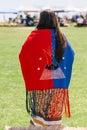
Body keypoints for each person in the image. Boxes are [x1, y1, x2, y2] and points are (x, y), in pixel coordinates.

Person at [19, 9, 74, 127]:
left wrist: (34, 70)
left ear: (40, 20)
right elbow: (71, 54)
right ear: (55, 20)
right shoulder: (61, 37)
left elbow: (23, 55)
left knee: (39, 115)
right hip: (58, 85)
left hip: (39, 86)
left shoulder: (34, 37)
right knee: (54, 119)